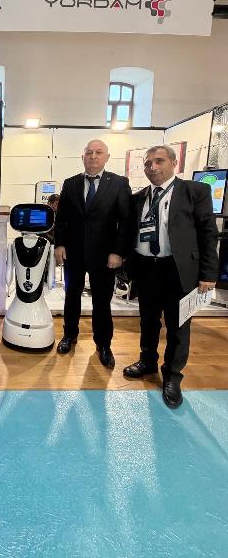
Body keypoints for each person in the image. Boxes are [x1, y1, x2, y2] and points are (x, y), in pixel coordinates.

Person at [123, 145, 218, 408]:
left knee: (178, 326)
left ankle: (172, 376)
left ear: (174, 163)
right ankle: (147, 361)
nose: (153, 167)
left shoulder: (195, 191)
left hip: (178, 270)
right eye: (148, 163)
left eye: (159, 161)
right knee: (148, 321)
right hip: (146, 268)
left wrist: (208, 274)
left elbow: (208, 234)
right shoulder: (138, 198)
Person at [54, 139, 131, 367]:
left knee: (101, 302)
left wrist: (118, 252)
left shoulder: (119, 183)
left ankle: (103, 344)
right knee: (71, 297)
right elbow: (61, 219)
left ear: (107, 157)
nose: (93, 157)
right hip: (74, 254)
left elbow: (125, 222)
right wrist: (59, 244)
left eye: (98, 153)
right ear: (83, 157)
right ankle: (69, 335)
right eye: (89, 153)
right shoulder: (71, 184)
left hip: (104, 256)